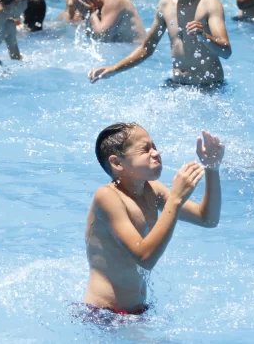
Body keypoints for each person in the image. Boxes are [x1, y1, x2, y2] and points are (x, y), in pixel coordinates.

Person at [83, 123, 223, 315]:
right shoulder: (107, 197)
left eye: (154, 146)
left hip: (138, 312)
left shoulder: (151, 190)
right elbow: (144, 258)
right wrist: (175, 200)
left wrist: (212, 169)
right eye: (145, 149)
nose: (156, 153)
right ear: (117, 163)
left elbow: (208, 219)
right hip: (104, 315)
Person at [89, 0, 231, 87]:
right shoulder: (165, 4)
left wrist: (204, 36)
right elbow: (146, 48)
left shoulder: (210, 3)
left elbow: (225, 52)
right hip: (177, 85)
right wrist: (113, 69)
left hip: (209, 88)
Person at [72, 0, 146, 43]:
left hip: (136, 49)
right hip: (124, 49)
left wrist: (91, 13)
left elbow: (102, 36)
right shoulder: (98, 8)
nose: (82, 4)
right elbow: (92, 37)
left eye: (81, 1)